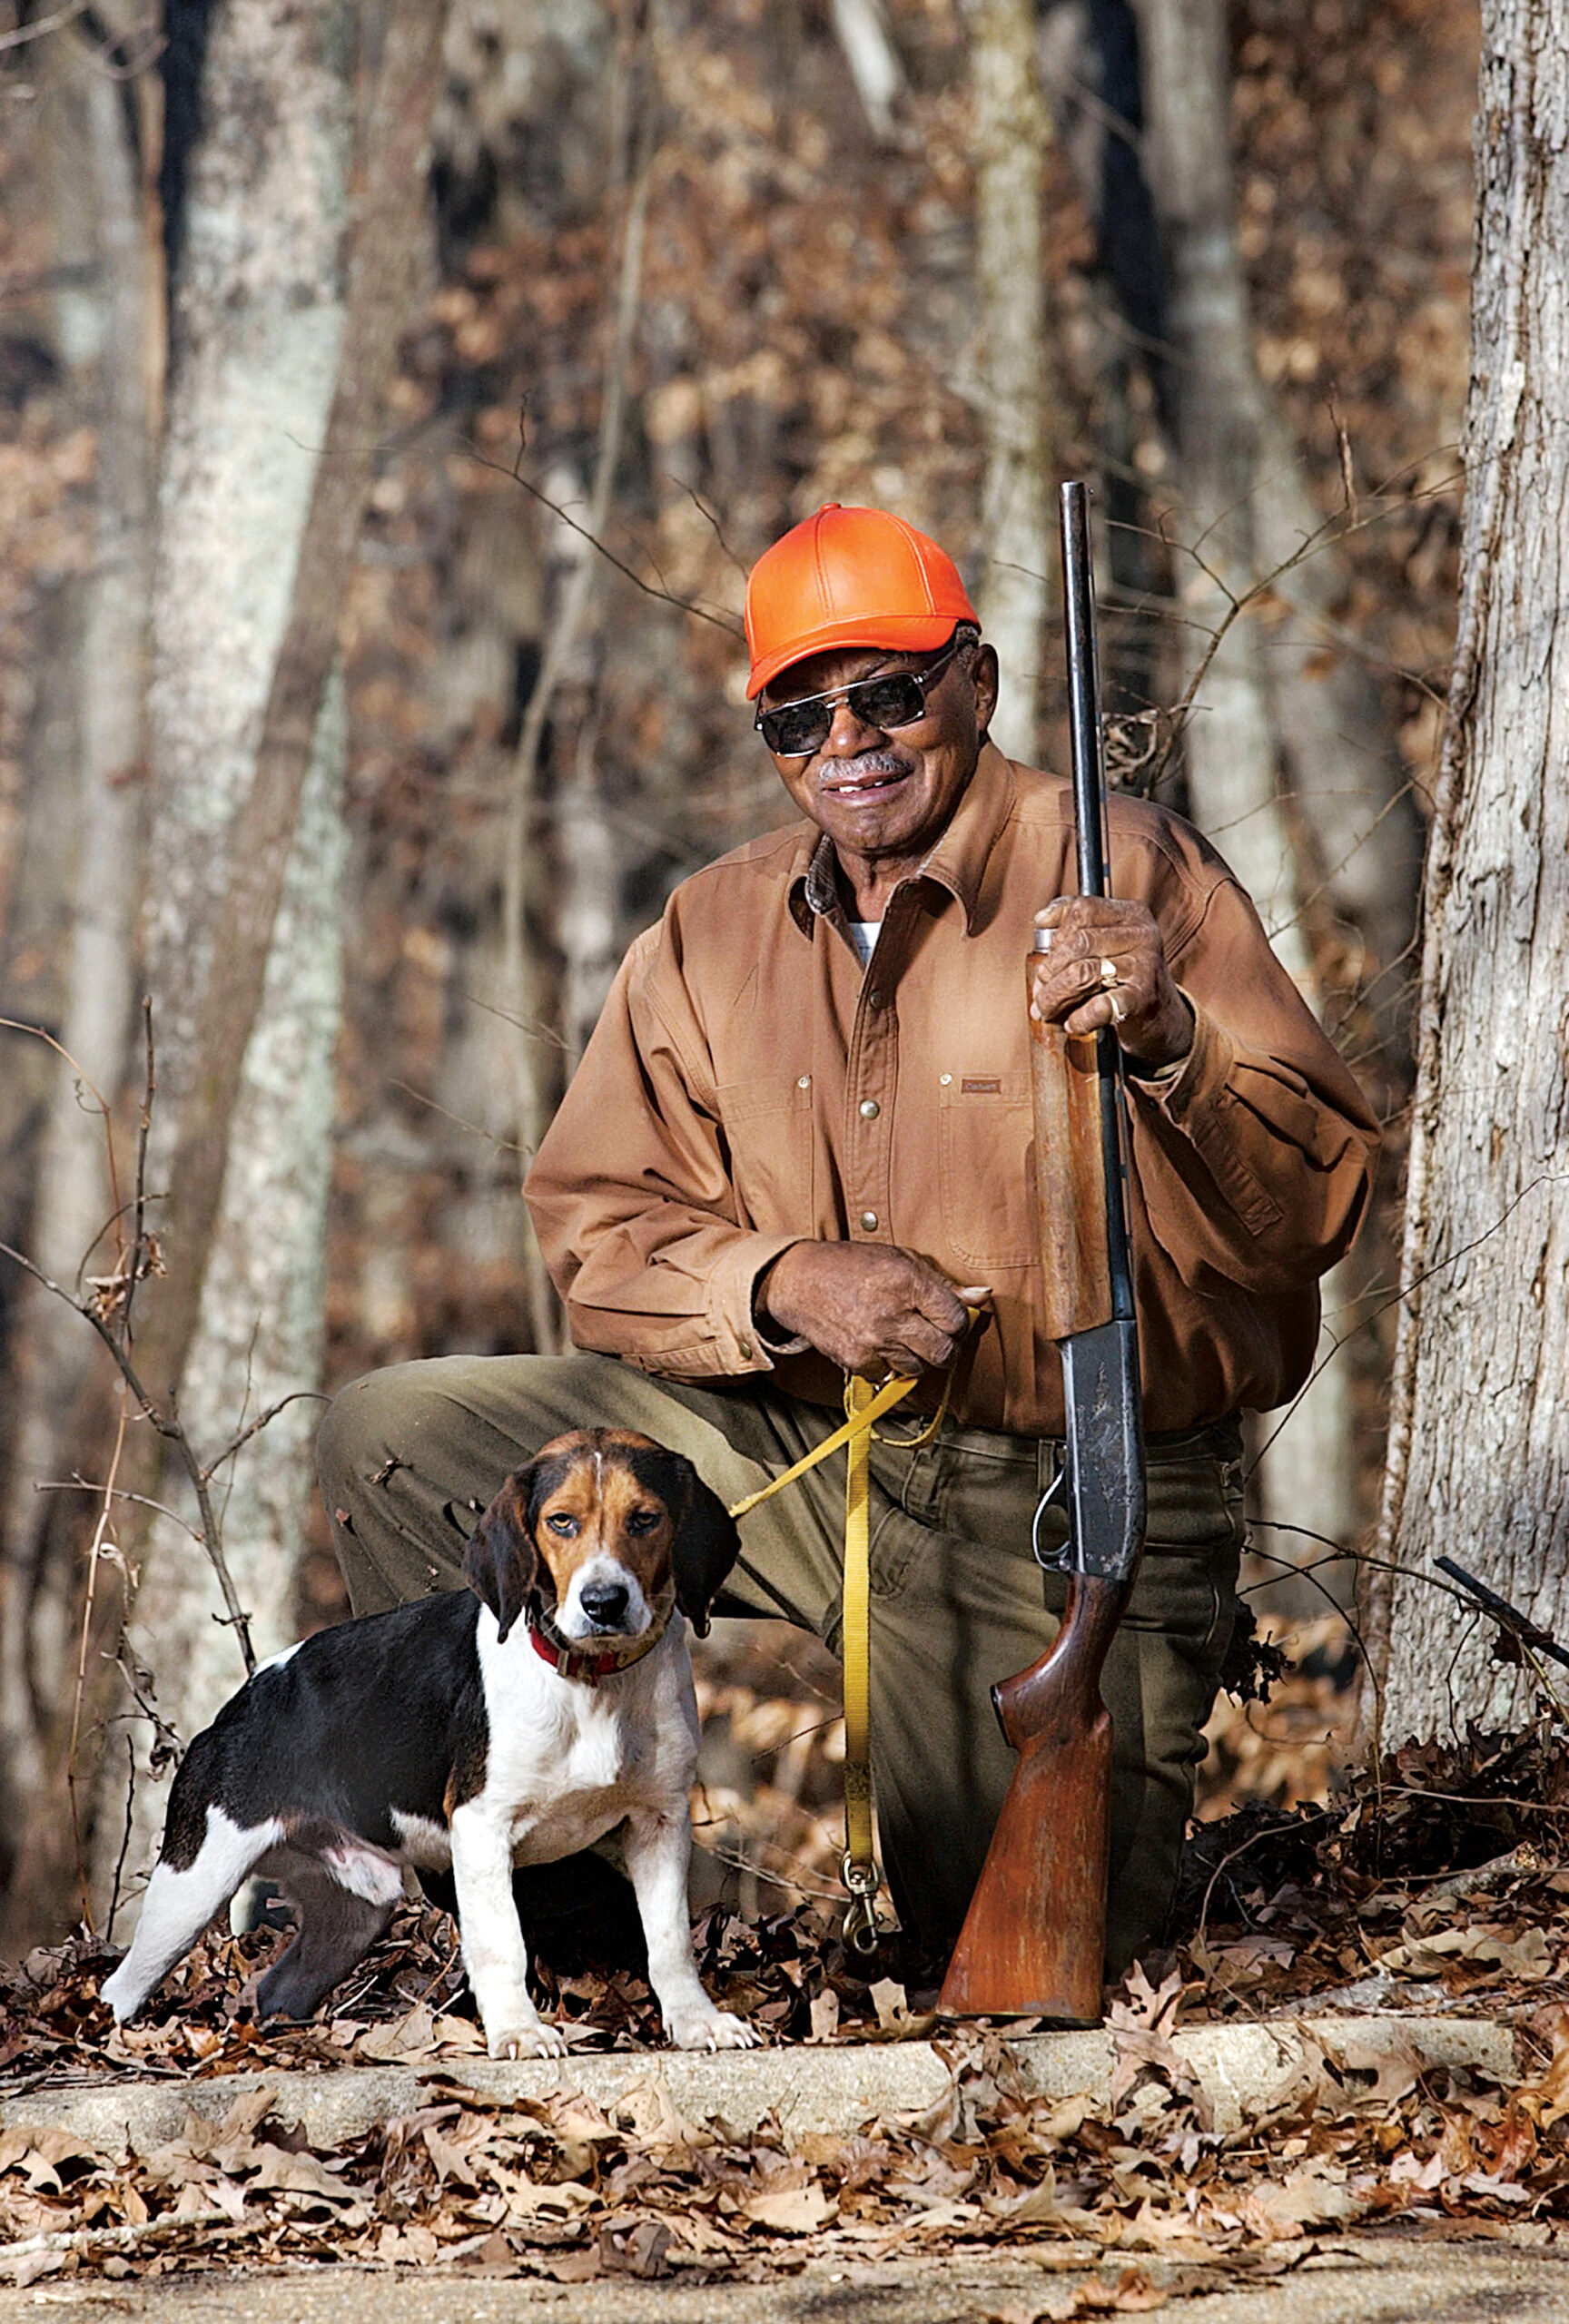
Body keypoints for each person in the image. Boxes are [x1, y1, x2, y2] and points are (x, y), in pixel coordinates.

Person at [319, 502, 1379, 1977]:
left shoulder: (1132, 873)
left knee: (1010, 1965)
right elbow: (600, 1226)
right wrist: (783, 1284)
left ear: (979, 684)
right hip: (799, 1453)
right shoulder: (709, 931)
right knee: (393, 1436)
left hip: (1058, 1497)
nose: (849, 744)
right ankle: (573, 1954)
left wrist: (1171, 1037)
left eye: (890, 694)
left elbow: (1319, 1201)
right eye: (798, 716)